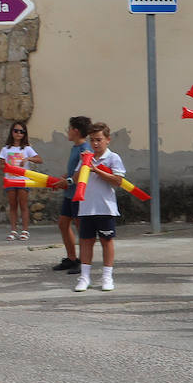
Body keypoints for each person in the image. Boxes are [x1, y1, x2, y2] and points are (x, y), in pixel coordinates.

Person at [73, 122, 125, 293]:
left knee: (106, 242)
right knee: (85, 243)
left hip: (105, 208)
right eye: (92, 140)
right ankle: (84, 277)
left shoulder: (113, 158)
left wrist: (97, 170)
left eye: (99, 140)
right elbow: (75, 179)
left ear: (107, 140)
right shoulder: (86, 157)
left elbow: (118, 181)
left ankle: (107, 276)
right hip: (86, 207)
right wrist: (83, 164)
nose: (95, 143)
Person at [53, 115, 91, 273]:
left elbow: (83, 170)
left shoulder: (85, 149)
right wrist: (64, 177)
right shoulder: (75, 147)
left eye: (69, 129)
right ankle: (71, 258)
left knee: (80, 226)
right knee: (63, 223)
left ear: (75, 131)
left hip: (78, 194)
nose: (67, 132)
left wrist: (68, 181)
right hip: (70, 193)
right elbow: (73, 170)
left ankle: (84, 260)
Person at [0, 121, 41, 240]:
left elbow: (39, 159)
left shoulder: (27, 148)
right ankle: (13, 229)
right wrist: (8, 167)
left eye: (21, 131)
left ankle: (25, 230)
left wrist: (28, 159)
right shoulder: (5, 149)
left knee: (23, 205)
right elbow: (1, 165)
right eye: (16, 131)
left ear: (24, 134)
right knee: (12, 205)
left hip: (22, 180)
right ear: (12, 132)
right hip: (10, 180)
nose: (18, 133)